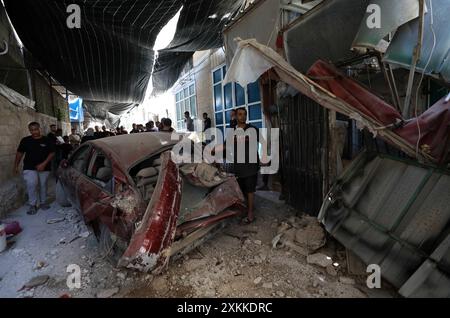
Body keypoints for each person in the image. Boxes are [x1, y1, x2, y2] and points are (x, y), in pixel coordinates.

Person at [229, 107, 264, 224]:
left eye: (244, 114)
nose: (242, 116)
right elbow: (226, 145)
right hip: (238, 167)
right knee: (242, 190)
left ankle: (250, 214)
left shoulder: (252, 129)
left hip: (250, 166)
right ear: (235, 116)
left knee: (250, 190)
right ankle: (246, 209)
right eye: (240, 114)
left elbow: (260, 141)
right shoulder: (233, 131)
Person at [14, 122, 56, 215]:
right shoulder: (25, 140)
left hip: (45, 167)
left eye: (35, 129)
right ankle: (32, 205)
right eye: (31, 130)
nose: (34, 132)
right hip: (29, 166)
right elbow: (19, 153)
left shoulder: (47, 140)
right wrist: (16, 166)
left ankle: (43, 203)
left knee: (43, 184)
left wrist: (43, 164)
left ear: (39, 128)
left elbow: (52, 153)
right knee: (31, 184)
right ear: (29, 130)